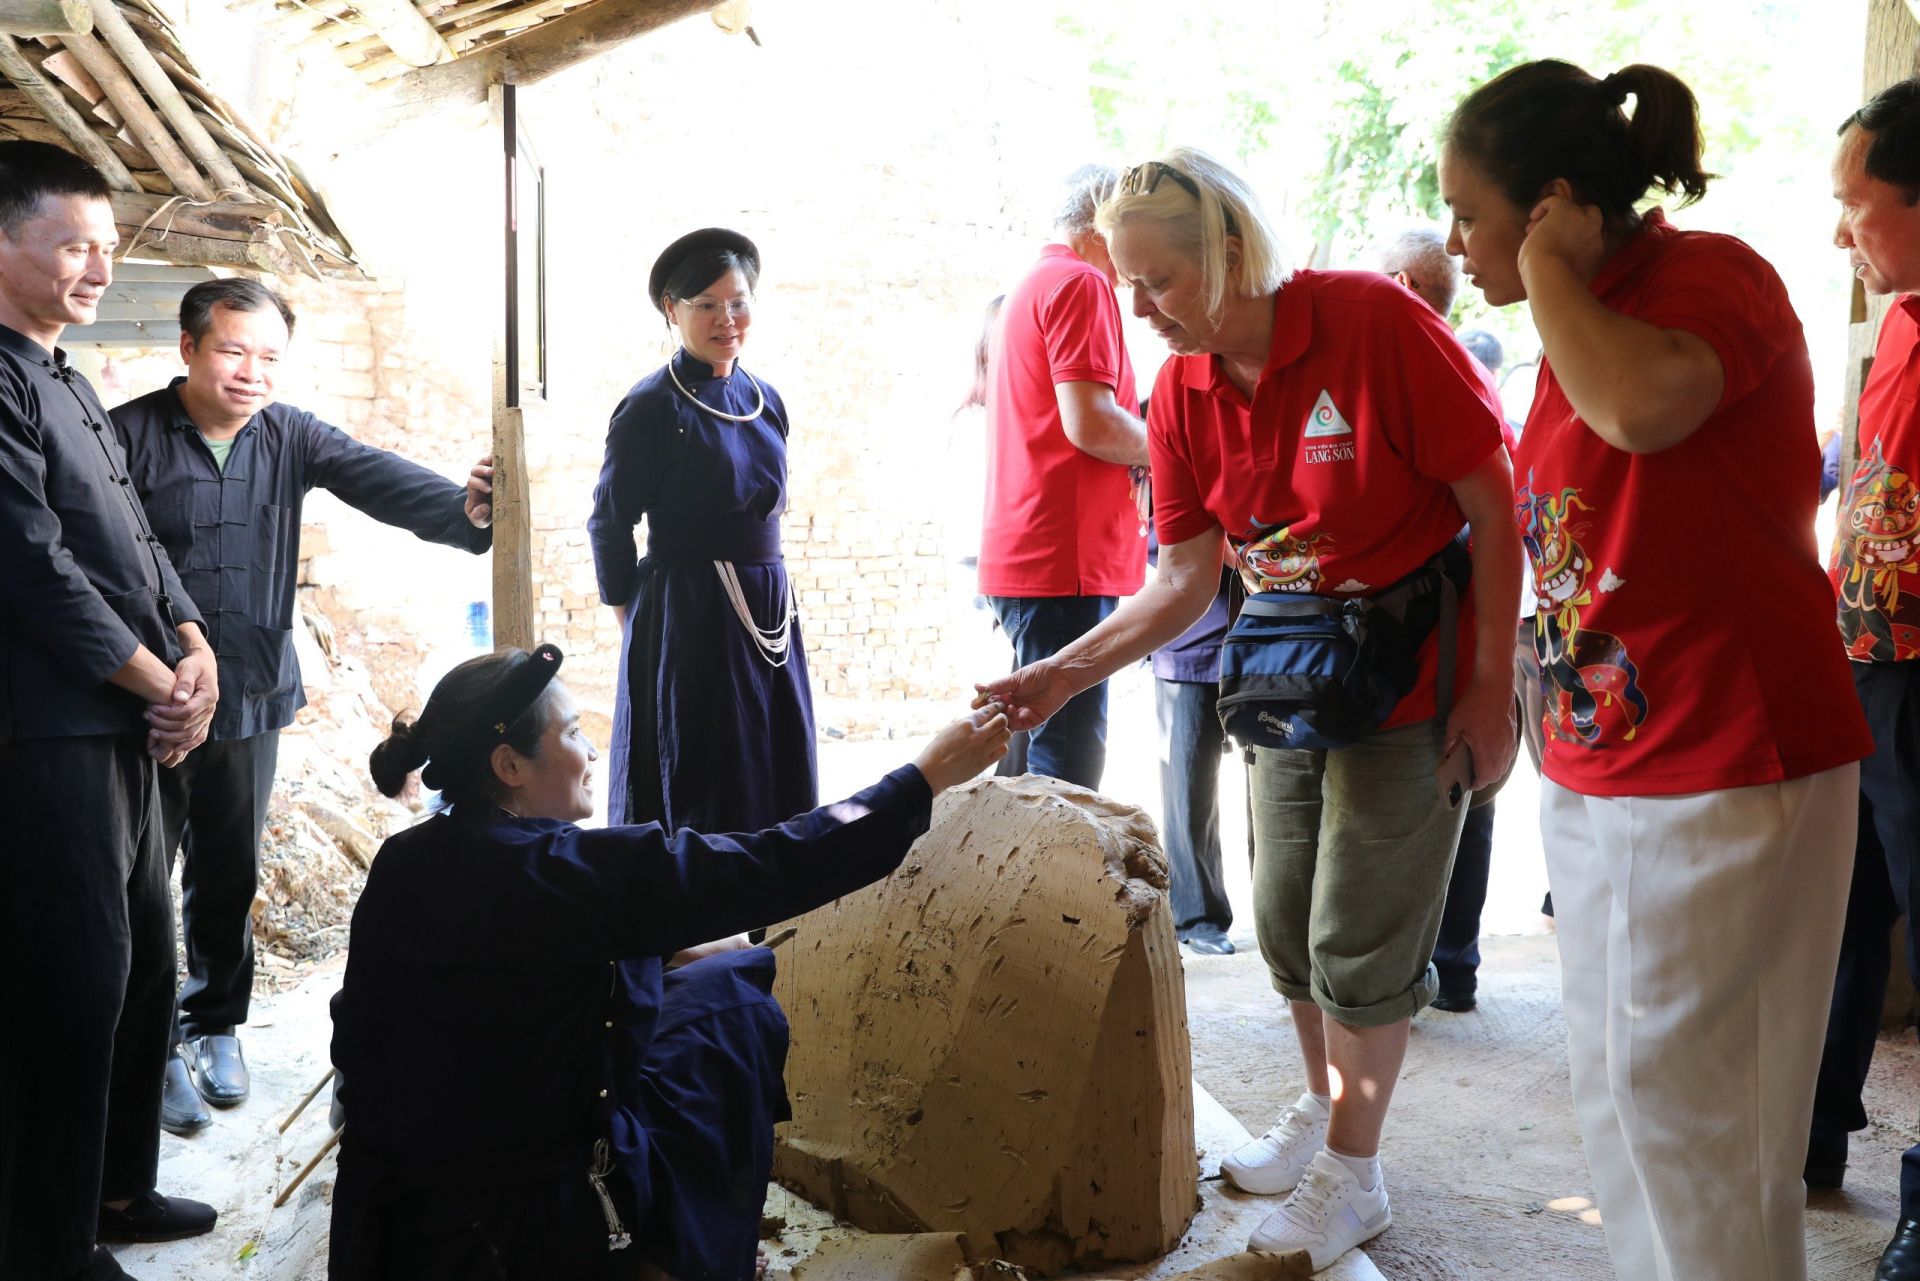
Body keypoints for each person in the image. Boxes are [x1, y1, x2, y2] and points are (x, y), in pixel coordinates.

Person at [977, 147, 1519, 1270]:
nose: (1140, 309)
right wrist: (1062, 674)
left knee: (1360, 935)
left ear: (1230, 253)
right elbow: (1181, 578)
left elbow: (1494, 501)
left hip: (1411, 673)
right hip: (1287, 674)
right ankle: (1329, 1122)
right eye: (1127, 285)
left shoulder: (1369, 321)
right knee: (1282, 923)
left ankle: (1353, 1175)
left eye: (1160, 282)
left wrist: (1489, 686)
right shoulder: (1177, 391)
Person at [1442, 59, 1872, 1281]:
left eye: (1476, 215)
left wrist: (1537, 270)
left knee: (1702, 1113)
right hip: (1611, 750)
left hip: (1730, 749)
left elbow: (1643, 412)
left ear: (1552, 204)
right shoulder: (1581, 316)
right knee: (1623, 1093)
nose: (1463, 245)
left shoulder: (1708, 278)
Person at [327, 644, 1010, 1279]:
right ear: (509, 765)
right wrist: (927, 776)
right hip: (517, 1236)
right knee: (738, 992)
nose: (591, 750)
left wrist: (653, 944)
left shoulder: (406, 862)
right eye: (571, 734)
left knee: (698, 963)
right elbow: (780, 862)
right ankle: (684, 1255)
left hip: (389, 1231)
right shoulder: (564, 874)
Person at [111, 278, 496, 1136]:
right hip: (153, 704)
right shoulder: (125, 437)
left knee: (229, 871)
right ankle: (151, 1047)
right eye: (232, 350)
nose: (252, 372)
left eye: (270, 357)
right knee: (141, 881)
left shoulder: (290, 436)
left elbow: (381, 480)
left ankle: (214, 1025)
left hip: (250, 693)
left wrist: (468, 511)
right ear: (188, 348)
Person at [0, 140, 219, 1281]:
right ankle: (45, 1241)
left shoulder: (69, 379)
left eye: (108, 244)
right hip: (48, 736)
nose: (101, 266)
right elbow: (29, 566)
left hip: (130, 727)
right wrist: (159, 678)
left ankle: (118, 1189)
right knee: (69, 983)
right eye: (74, 243)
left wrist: (194, 646)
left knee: (141, 959)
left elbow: (137, 539)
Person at [589, 229, 816, 841]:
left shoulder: (766, 400)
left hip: (767, 604)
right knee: (706, 772)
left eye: (738, 301)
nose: (727, 319)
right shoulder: (651, 407)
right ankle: (697, 925)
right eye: (706, 305)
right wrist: (631, 617)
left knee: (775, 764)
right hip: (687, 610)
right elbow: (609, 522)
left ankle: (778, 913)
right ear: (672, 309)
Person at [1814, 75, 1920, 1281]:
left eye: (1860, 203)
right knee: (1839, 916)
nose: (1842, 232)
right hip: (1863, 662)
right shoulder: (1894, 323)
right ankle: (1811, 1134)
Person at [977, 164, 1149, 790]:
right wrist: (1182, 453)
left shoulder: (1034, 282)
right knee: (1065, 772)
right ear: (1108, 226)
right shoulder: (1080, 282)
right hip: (1062, 558)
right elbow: (1093, 425)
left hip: (1036, 552)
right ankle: (1054, 891)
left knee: (1031, 751)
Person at [1147, 518, 1237, 957]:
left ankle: (1291, 922)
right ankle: (1197, 915)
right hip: (1189, 640)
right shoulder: (1171, 457)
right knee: (1188, 784)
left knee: (1278, 790)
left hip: (1269, 636)